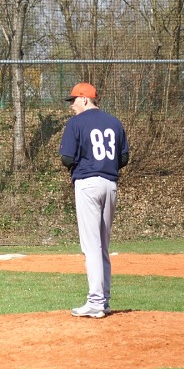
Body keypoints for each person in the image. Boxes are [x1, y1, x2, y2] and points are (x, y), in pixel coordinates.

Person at [59, 82, 129, 318]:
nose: (71, 106)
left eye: (73, 100)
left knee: (91, 246)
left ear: (84, 99)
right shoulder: (115, 122)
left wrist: (84, 163)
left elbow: (66, 158)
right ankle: (104, 300)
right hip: (110, 184)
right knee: (103, 245)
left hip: (88, 184)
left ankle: (96, 302)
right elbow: (124, 158)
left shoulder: (76, 123)